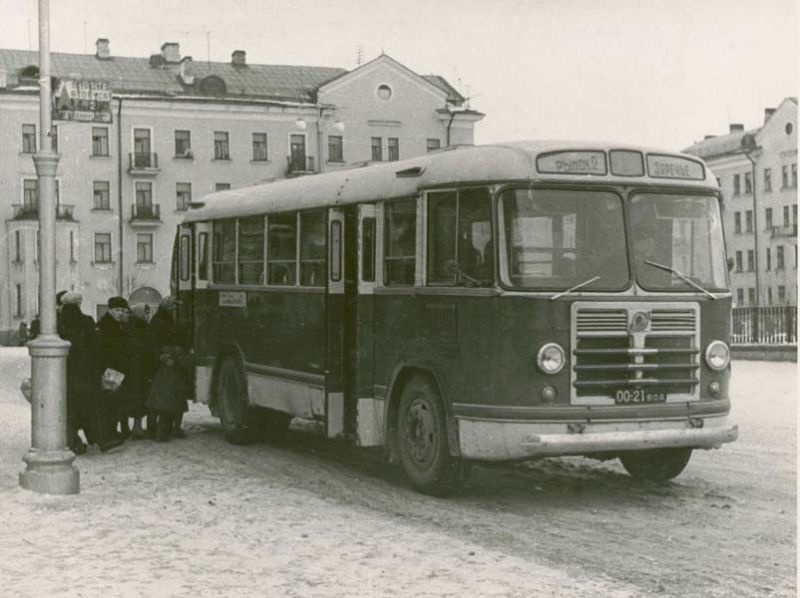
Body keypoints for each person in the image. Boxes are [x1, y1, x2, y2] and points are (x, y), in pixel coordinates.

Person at [148, 296, 188, 438]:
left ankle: (163, 430)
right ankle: (163, 431)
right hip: (167, 363)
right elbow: (153, 342)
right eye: (172, 306)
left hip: (170, 362)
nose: (174, 308)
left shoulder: (163, 319)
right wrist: (162, 356)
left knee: (166, 399)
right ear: (167, 306)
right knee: (168, 400)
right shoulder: (161, 321)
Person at [96, 296, 133, 442]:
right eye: (118, 310)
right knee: (110, 402)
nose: (121, 313)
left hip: (119, 368)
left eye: (124, 310)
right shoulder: (105, 325)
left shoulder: (120, 325)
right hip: (110, 369)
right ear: (110, 310)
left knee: (118, 401)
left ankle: (117, 429)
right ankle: (109, 432)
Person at [146, 344, 190, 441]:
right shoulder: (179, 349)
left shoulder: (163, 348)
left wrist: (162, 357)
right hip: (176, 379)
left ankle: (160, 432)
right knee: (179, 405)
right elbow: (186, 363)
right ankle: (174, 430)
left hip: (162, 377)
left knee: (162, 407)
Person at [126, 303, 155, 439]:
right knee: (138, 397)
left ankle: (133, 427)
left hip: (135, 368)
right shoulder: (139, 327)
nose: (147, 315)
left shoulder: (132, 325)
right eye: (146, 312)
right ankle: (136, 428)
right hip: (138, 369)